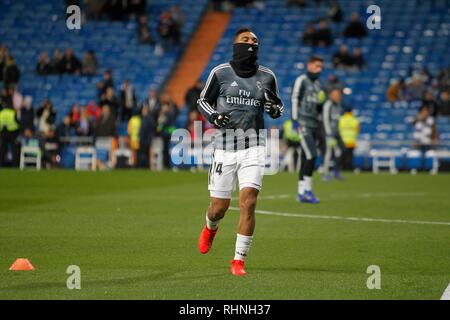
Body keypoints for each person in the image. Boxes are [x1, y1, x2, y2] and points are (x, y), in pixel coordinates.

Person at [196, 28, 284, 276]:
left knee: (249, 202)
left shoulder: (267, 76)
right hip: (224, 148)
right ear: (235, 44)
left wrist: (275, 109)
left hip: (254, 146)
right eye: (246, 40)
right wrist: (214, 116)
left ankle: (238, 260)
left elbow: (277, 105)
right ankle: (210, 227)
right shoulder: (220, 72)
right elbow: (203, 100)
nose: (251, 43)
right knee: (218, 208)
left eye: (255, 40)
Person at [291, 55, 326, 204]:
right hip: (303, 123)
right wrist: (295, 120)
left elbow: (317, 104)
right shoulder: (302, 80)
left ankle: (300, 192)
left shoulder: (318, 84)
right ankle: (307, 190)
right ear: (309, 65)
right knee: (312, 155)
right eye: (317, 66)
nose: (320, 69)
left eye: (321, 66)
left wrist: (320, 107)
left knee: (306, 157)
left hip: (313, 124)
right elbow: (295, 99)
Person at [322, 88, 345, 180]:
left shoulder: (339, 105)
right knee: (328, 153)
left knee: (339, 152)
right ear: (331, 95)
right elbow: (325, 119)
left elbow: (339, 120)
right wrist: (329, 133)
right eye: (336, 95)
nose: (338, 97)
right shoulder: (328, 105)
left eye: (339, 95)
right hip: (329, 133)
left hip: (337, 133)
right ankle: (325, 173)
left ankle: (336, 171)